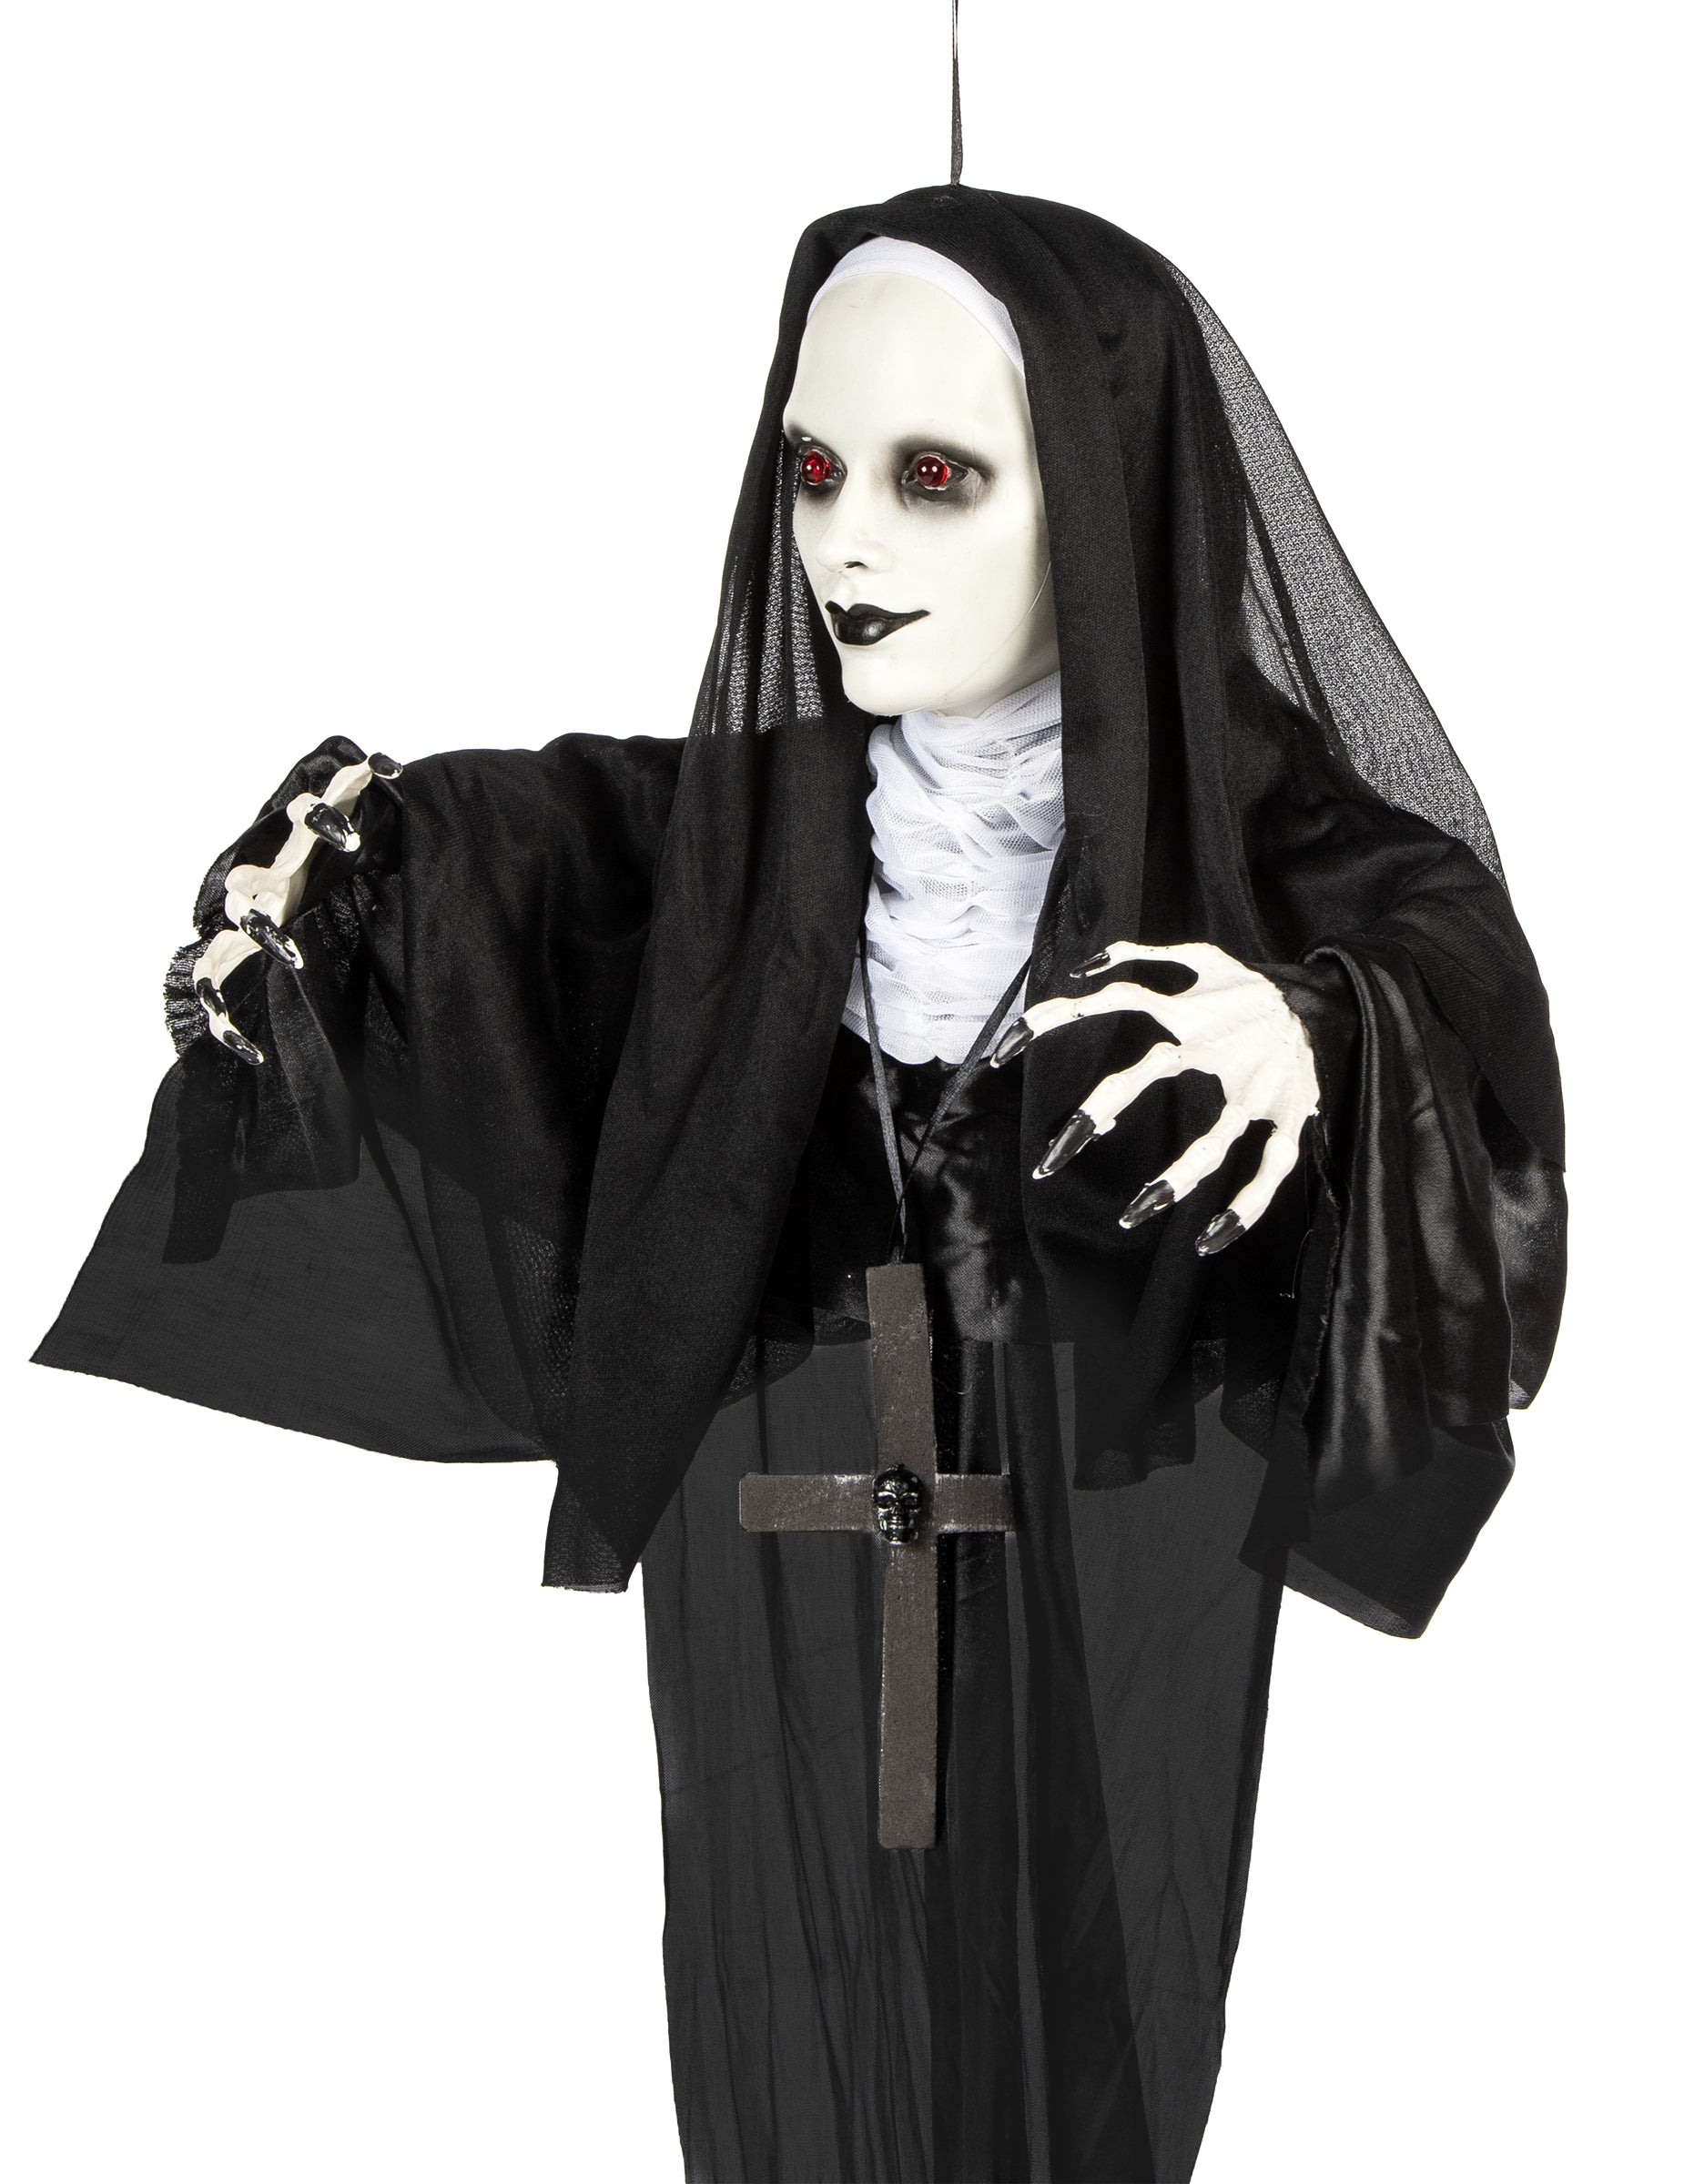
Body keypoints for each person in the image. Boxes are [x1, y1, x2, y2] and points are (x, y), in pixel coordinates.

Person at [36, 187, 1565, 2181]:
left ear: (1102, 484)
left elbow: (1456, 991)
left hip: (1107, 1550)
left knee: (1077, 1996)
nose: (843, 543)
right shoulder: (734, 846)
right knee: (787, 2000)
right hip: (778, 1539)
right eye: (817, 469)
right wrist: (340, 896)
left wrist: (1324, 1030)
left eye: (936, 478)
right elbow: (516, 861)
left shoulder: (1270, 853)